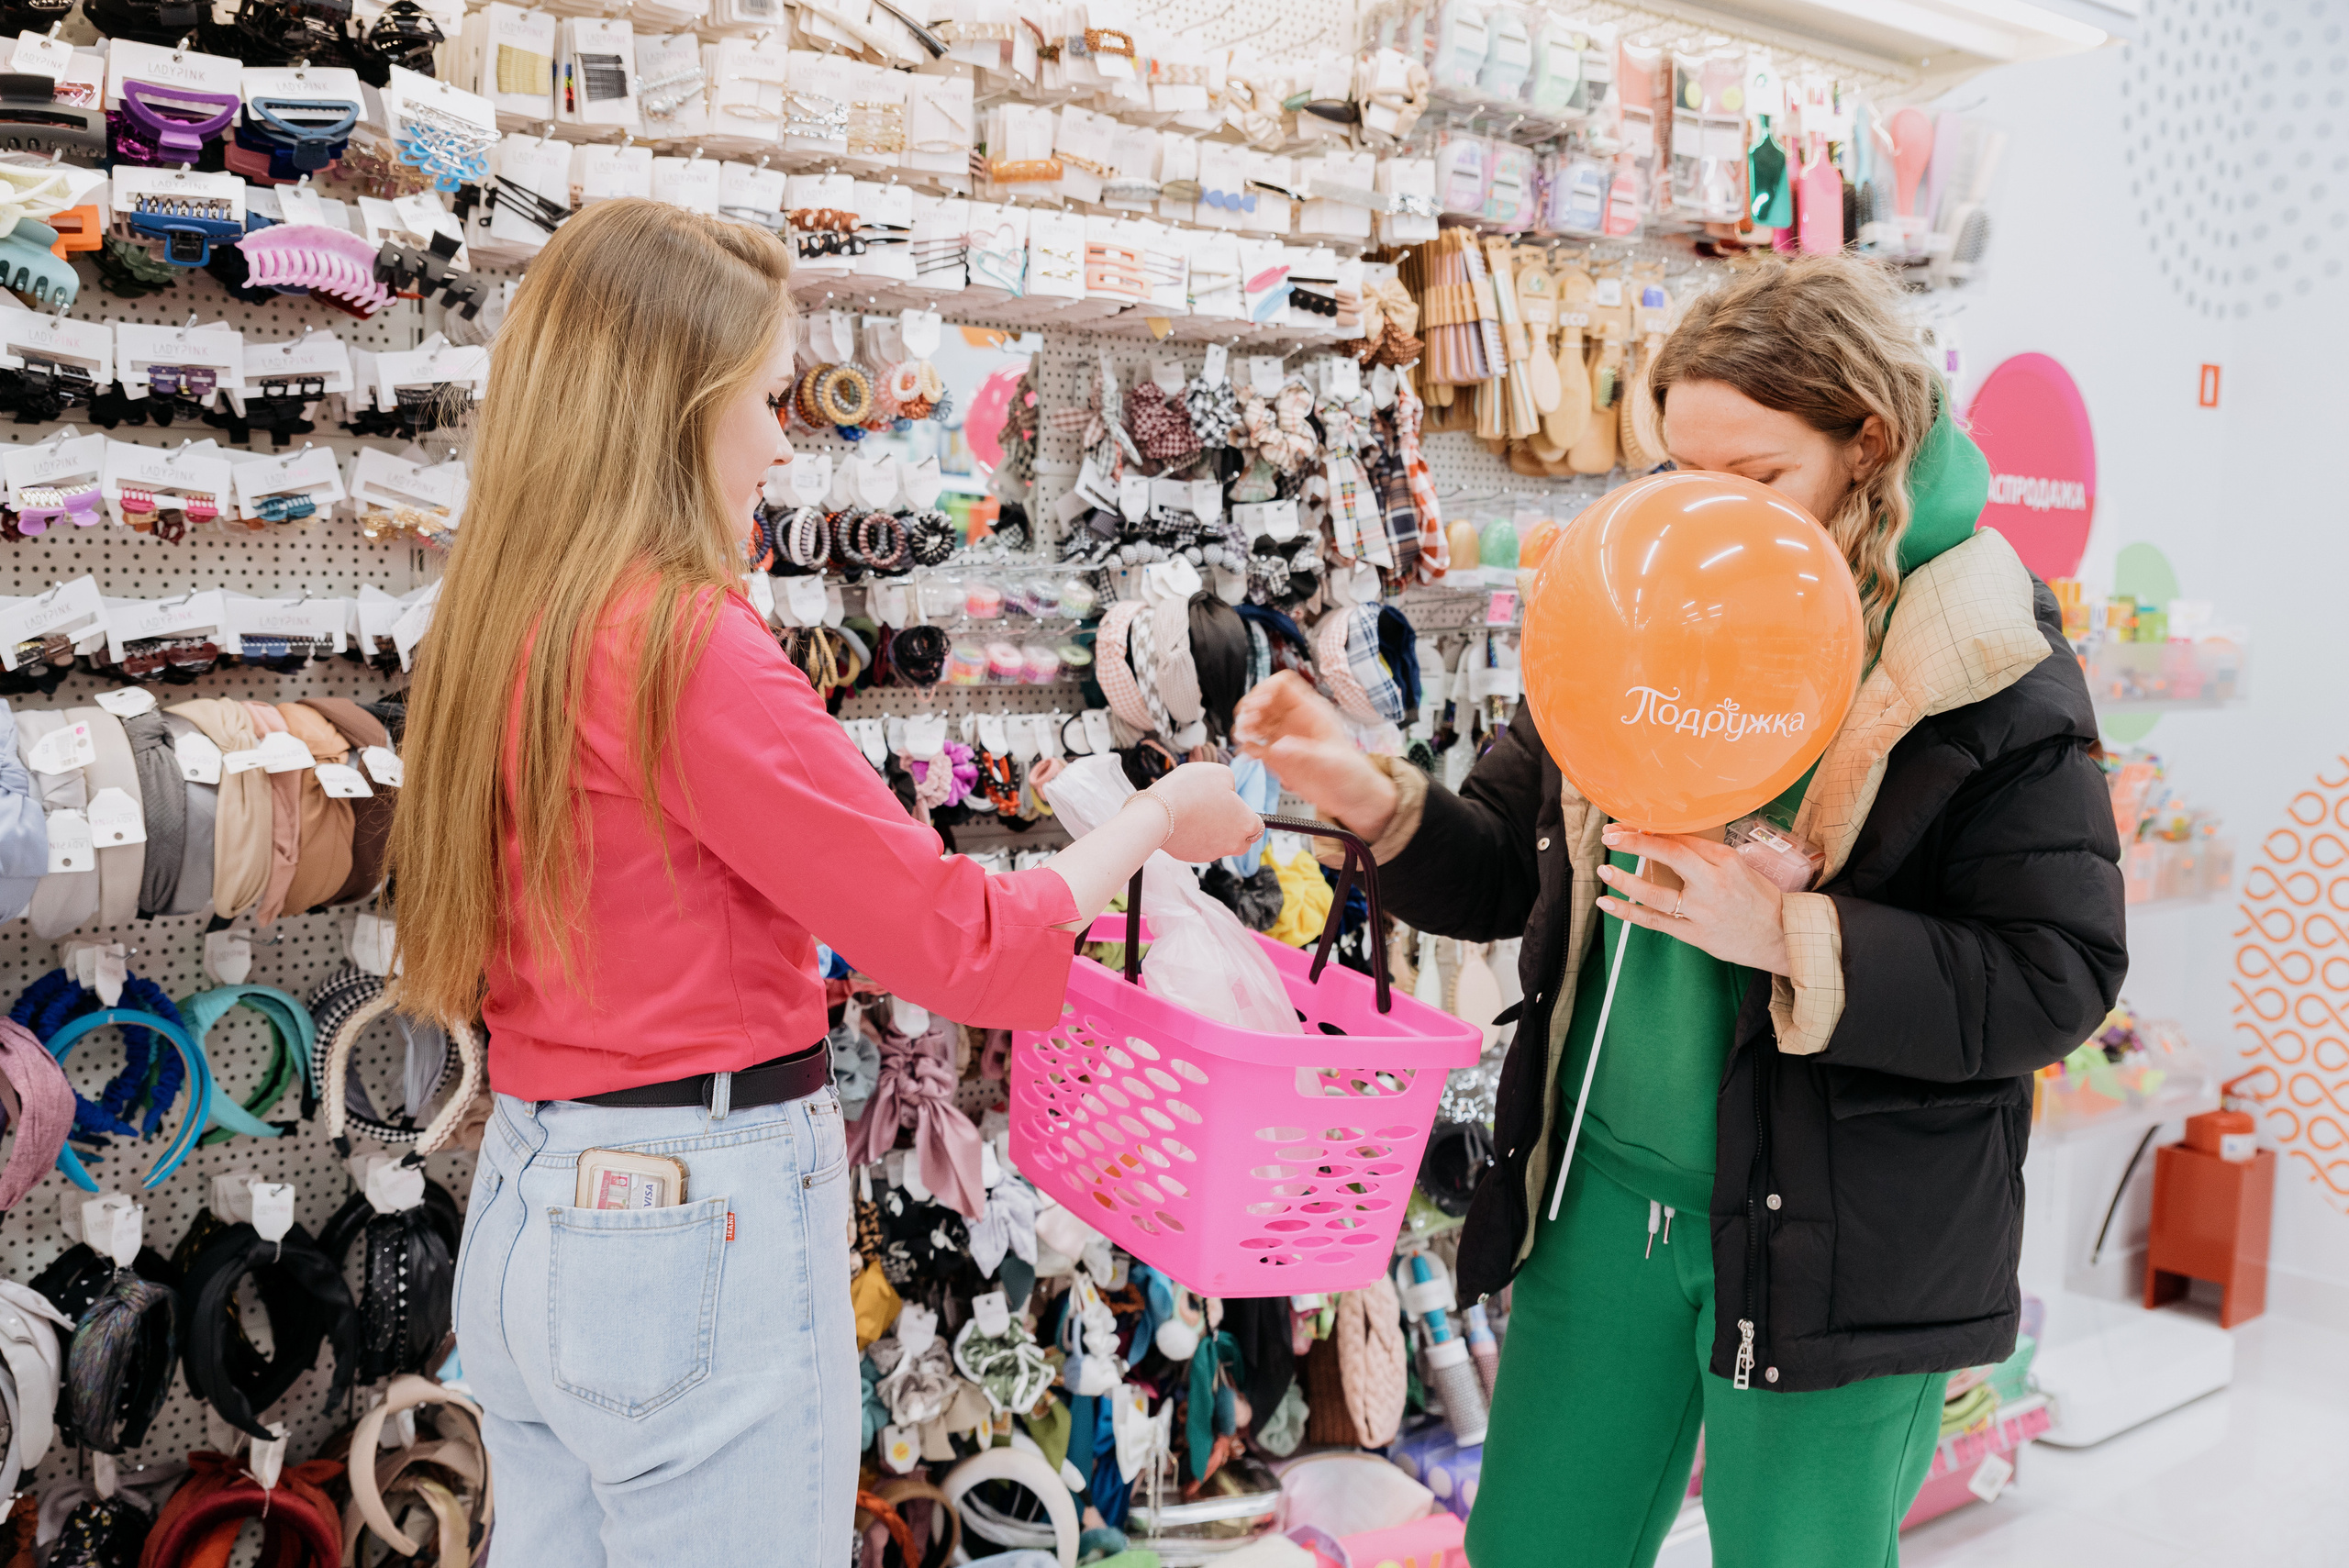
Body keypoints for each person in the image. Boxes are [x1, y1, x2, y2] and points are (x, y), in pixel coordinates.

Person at [386, 199, 1263, 1567]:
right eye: (763, 395)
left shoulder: (506, 622)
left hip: (531, 1202)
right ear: (677, 405)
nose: (787, 439)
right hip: (687, 1220)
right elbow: (958, 939)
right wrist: (1155, 812)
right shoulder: (684, 646)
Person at [1236, 254, 2127, 1568]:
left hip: (1837, 1237)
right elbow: (1501, 868)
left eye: (1757, 478)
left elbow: (2058, 972)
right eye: (1679, 470)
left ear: (1867, 443)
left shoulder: (1983, 660)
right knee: (1534, 1546)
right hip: (1599, 1197)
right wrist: (1370, 796)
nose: (1708, 511)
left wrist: (1792, 941)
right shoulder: (1643, 595)